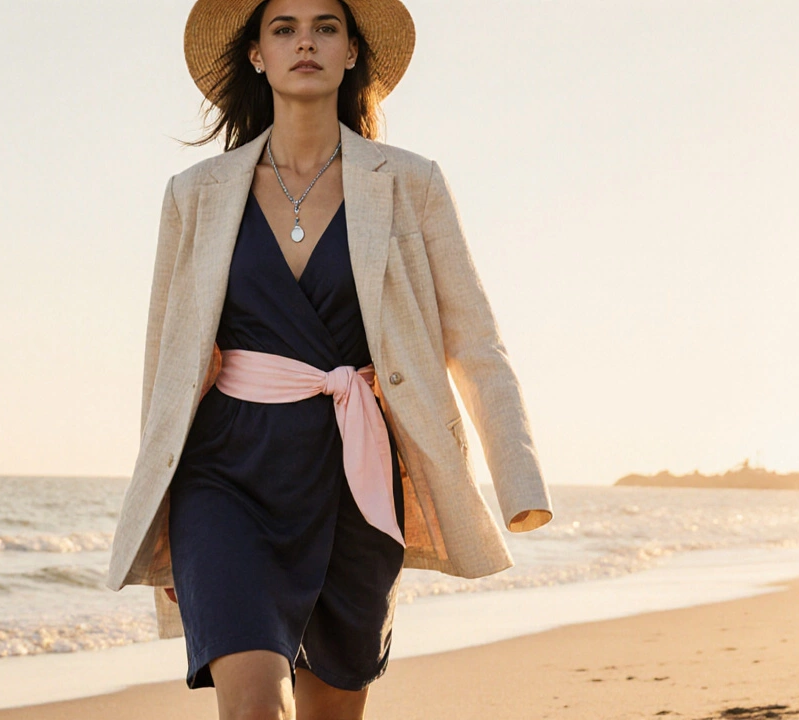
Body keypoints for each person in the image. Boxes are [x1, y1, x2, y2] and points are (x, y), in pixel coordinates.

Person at [104, 0, 555, 717]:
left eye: (325, 27)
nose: (304, 42)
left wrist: (519, 481)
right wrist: (162, 523)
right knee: (257, 709)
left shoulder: (411, 183)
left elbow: (473, 339)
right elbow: (166, 369)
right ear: (257, 54)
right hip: (225, 475)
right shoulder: (195, 196)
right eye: (283, 29)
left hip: (358, 473)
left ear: (352, 53)